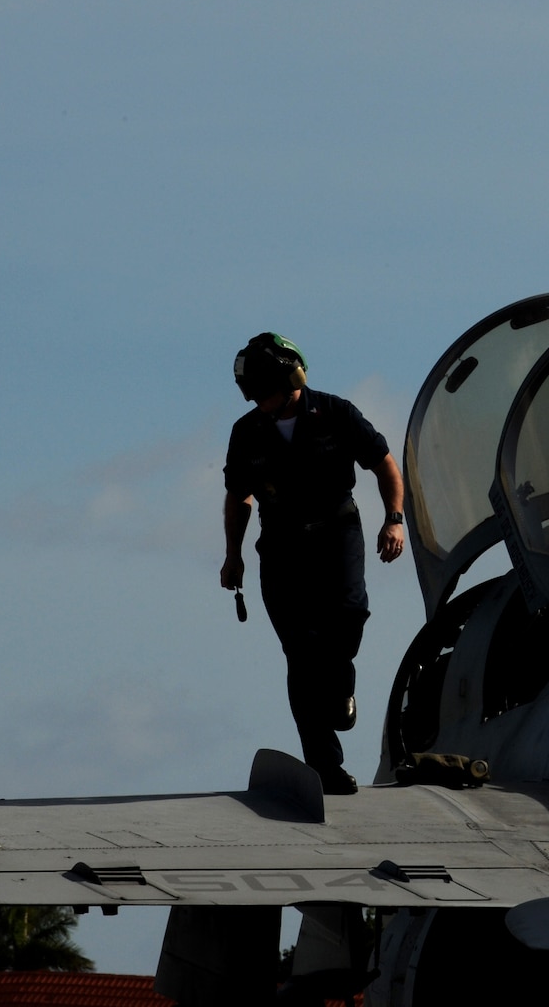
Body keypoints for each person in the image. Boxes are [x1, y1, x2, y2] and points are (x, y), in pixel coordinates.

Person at [219, 332, 405, 794]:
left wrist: (394, 520)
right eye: (254, 395)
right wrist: (233, 556)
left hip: (337, 534)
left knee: (349, 616)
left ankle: (341, 687)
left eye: (266, 392)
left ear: (292, 379)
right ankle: (326, 767)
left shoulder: (336, 413)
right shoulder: (246, 432)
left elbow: (384, 465)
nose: (259, 402)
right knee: (301, 656)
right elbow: (239, 497)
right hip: (281, 547)